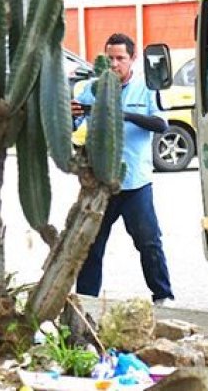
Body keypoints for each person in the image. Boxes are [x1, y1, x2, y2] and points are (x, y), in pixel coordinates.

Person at [71, 33, 174, 304]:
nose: (115, 64)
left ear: (133, 59)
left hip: (135, 183)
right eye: (110, 58)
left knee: (149, 242)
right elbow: (75, 115)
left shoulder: (147, 87)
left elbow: (161, 124)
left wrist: (122, 114)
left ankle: (163, 295)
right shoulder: (91, 89)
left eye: (121, 58)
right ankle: (86, 301)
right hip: (101, 183)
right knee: (91, 245)